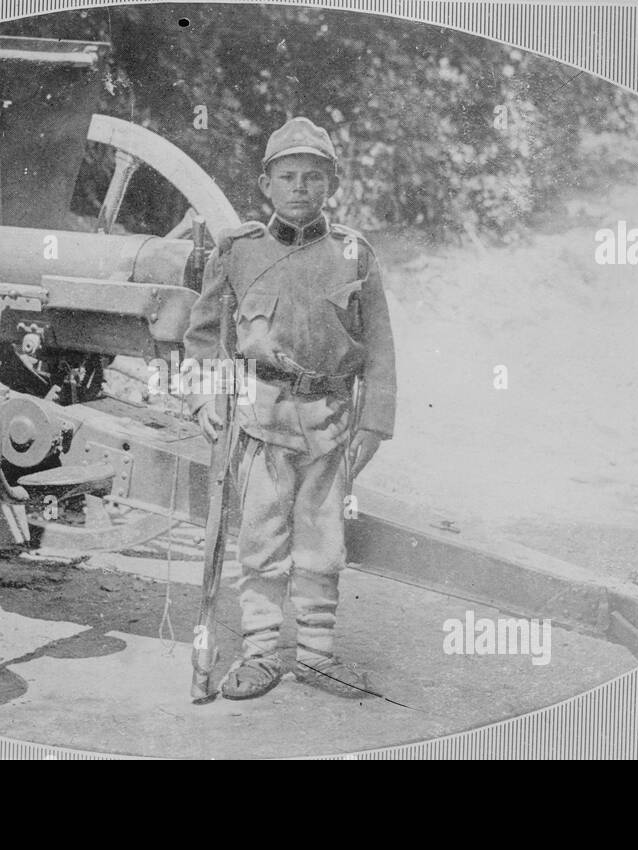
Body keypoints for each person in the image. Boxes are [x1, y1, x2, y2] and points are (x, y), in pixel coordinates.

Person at [182, 117, 397, 699]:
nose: (300, 187)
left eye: (313, 176)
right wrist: (204, 395)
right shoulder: (239, 251)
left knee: (323, 543)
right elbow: (203, 335)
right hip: (260, 419)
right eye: (288, 176)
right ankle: (259, 654)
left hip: (331, 421)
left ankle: (318, 656)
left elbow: (379, 346)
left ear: (331, 184)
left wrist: (374, 423)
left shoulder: (354, 254)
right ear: (266, 184)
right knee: (262, 539)